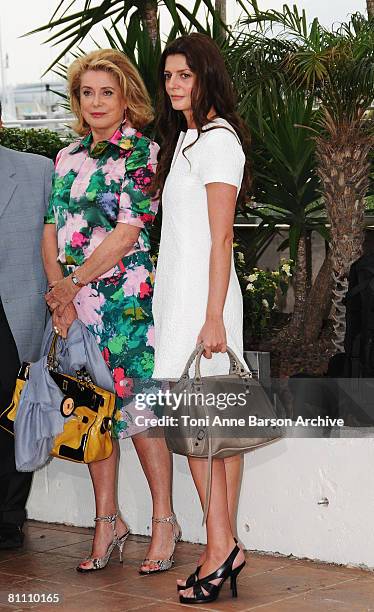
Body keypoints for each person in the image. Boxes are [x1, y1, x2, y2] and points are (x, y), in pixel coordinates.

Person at [42, 49, 179, 574]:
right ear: (77, 101)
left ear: (126, 99)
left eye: (107, 92)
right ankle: (109, 522)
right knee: (90, 410)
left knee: (141, 414)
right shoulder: (66, 156)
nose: (96, 102)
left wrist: (71, 284)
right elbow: (51, 229)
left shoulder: (143, 153)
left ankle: (164, 521)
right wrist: (59, 293)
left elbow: (126, 235)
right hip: (72, 306)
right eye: (87, 92)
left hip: (124, 302)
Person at [152, 33, 251, 604]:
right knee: (198, 435)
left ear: (207, 76)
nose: (173, 86)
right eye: (168, 77)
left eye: (184, 76)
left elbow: (221, 240)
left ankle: (220, 550)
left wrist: (212, 317)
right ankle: (223, 547)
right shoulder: (188, 139)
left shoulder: (219, 142)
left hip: (204, 307)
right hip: (178, 304)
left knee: (210, 436)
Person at [0, 101, 53, 548]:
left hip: (15, 312)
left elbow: (59, 236)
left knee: (12, 414)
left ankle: (8, 517)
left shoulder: (38, 171)